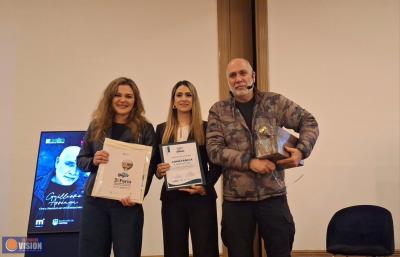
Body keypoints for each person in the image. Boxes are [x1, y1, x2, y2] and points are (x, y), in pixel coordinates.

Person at [206, 58, 319, 257]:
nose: (238, 79)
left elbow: (309, 121)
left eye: (243, 73)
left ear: (253, 76)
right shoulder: (218, 110)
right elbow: (214, 150)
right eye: (232, 75)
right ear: (228, 81)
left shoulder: (274, 102)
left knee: (281, 252)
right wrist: (250, 162)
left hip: (273, 197)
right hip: (236, 201)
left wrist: (301, 150)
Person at [77, 77, 155, 257]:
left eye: (129, 96)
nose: (123, 100)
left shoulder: (145, 129)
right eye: (118, 95)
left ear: (135, 100)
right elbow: (81, 160)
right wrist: (93, 161)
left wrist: (137, 195)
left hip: (127, 205)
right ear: (110, 98)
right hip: (95, 202)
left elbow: (149, 169)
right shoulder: (96, 125)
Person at [151, 80, 220, 257]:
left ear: (194, 100)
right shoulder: (161, 129)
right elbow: (155, 166)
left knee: (206, 250)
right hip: (172, 200)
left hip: (201, 198)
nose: (184, 98)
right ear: (173, 101)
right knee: (174, 250)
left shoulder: (206, 128)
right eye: (179, 95)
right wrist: (159, 170)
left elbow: (217, 165)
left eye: (188, 95)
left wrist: (205, 187)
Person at [30, 146, 86, 230]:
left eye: (79, 166)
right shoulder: (35, 186)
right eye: (69, 164)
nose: (74, 172)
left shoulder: (87, 190)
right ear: (57, 162)